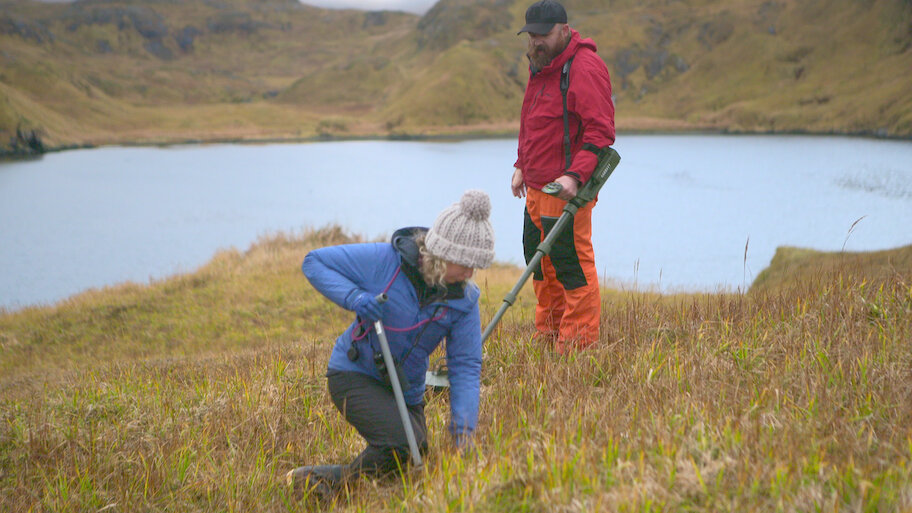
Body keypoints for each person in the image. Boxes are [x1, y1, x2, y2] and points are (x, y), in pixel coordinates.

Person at [286, 190, 495, 499]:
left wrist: (463, 433)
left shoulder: (463, 299)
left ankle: (315, 477)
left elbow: (464, 368)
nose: (469, 273)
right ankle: (322, 487)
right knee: (398, 443)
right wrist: (356, 298)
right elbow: (314, 262)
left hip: (406, 387)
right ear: (441, 251)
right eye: (463, 263)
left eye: (475, 265)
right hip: (355, 374)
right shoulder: (386, 262)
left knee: (413, 456)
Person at [511, 0, 616, 353]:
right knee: (539, 264)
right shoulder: (541, 65)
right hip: (536, 187)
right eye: (531, 35)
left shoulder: (585, 66)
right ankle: (549, 334)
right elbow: (534, 122)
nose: (536, 41)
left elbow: (600, 133)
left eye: (543, 34)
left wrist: (574, 176)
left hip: (565, 188)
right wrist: (521, 164)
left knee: (570, 264)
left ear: (563, 29)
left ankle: (577, 345)